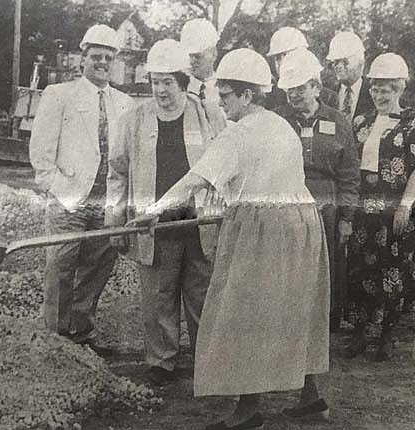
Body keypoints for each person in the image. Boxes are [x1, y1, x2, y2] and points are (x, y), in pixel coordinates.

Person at [129, 48, 330, 430]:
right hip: (302, 224)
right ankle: (311, 397)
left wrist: (153, 212)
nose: (220, 105)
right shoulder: (280, 124)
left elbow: (194, 181)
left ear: (247, 95)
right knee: (290, 310)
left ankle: (248, 410)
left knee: (244, 313)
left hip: (265, 228)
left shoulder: (238, 135)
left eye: (225, 97)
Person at [105, 39, 225, 385]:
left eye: (167, 82)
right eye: (155, 81)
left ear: (183, 82)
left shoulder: (206, 113)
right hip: (154, 224)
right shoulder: (134, 119)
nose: (159, 90)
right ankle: (162, 361)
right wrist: (114, 217)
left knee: (201, 293)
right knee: (158, 295)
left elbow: (224, 164)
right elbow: (118, 172)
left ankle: (208, 361)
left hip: (198, 221)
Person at [29, 24, 134, 345]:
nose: (102, 62)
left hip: (107, 200)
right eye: (96, 56)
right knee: (61, 266)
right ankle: (55, 337)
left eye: (108, 57)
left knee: (97, 266)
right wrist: (57, 188)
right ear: (82, 59)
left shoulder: (124, 102)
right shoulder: (60, 95)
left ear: (115, 62)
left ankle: (81, 330)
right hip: (69, 199)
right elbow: (41, 151)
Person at [345, 53, 415, 360]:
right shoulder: (360, 122)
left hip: (395, 209)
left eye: (386, 89)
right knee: (359, 268)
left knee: (393, 270)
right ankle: (359, 332)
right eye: (375, 88)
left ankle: (387, 334)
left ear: (400, 89)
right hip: (363, 210)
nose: (379, 95)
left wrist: (405, 207)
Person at [274, 48, 360, 332]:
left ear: (316, 87)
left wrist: (346, 217)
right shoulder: (278, 119)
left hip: (327, 203)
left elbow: (349, 174)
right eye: (289, 91)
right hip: (288, 200)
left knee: (327, 262)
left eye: (300, 89)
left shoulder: (338, 121)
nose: (294, 96)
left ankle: (326, 322)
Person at [265, 26, 337, 110]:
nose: (281, 62)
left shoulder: (329, 98)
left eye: (286, 55)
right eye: (277, 58)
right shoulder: (269, 98)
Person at [326, 31, 374, 122]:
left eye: (345, 61)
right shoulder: (328, 95)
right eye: (335, 62)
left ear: (360, 62)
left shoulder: (374, 93)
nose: (339, 66)